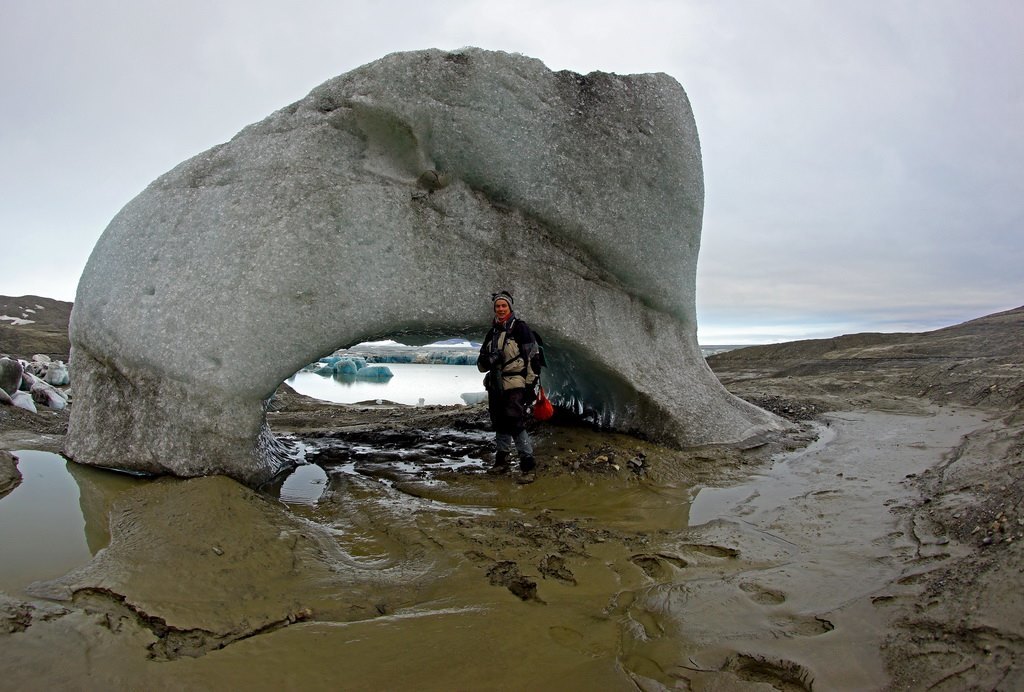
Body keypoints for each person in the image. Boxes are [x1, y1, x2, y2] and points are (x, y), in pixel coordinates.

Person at [477, 290, 542, 475]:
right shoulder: (492, 333)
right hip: (496, 384)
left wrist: (530, 385)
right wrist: (489, 360)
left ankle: (527, 463)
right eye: (497, 306)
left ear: (510, 307)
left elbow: (533, 357)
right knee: (500, 421)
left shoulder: (520, 328)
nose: (500, 309)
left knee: (515, 421)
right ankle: (501, 461)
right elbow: (481, 365)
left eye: (504, 305)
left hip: (515, 383)